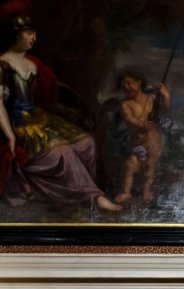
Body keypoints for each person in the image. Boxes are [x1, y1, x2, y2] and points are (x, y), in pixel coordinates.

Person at [0, 13, 121, 212]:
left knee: (86, 142)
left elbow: (47, 97)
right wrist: (9, 135)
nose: (33, 38)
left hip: (40, 118)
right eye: (29, 33)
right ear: (17, 34)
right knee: (62, 152)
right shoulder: (3, 64)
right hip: (20, 124)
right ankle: (95, 197)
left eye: (34, 33)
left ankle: (85, 196)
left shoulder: (33, 64)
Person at [114, 68, 171, 205]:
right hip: (135, 141)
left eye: (129, 83)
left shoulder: (151, 99)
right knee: (130, 164)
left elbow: (165, 109)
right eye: (124, 84)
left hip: (153, 140)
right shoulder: (125, 104)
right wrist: (141, 124)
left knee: (151, 165)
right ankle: (126, 192)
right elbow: (128, 118)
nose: (126, 87)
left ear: (139, 83)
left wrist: (166, 96)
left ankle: (147, 189)